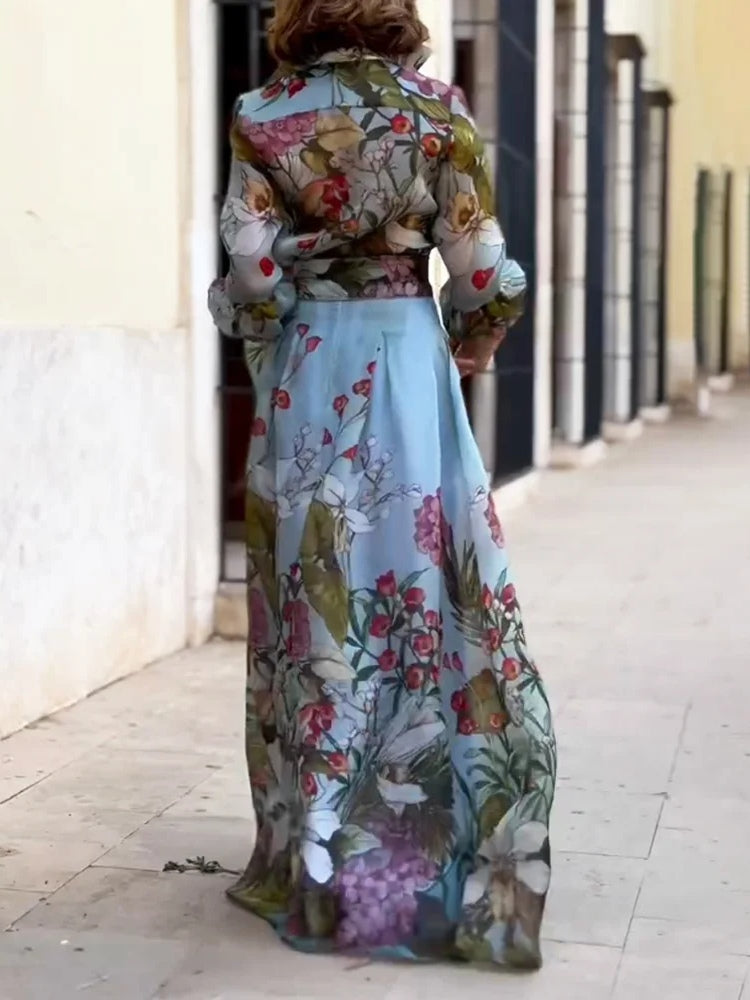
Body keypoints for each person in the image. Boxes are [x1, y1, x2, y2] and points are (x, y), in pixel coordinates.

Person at [208, 0, 556, 970]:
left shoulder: (263, 114)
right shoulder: (437, 112)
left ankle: (316, 846)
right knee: (420, 581)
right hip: (407, 363)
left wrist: (269, 311)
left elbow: (249, 270)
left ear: (299, 18)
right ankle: (423, 832)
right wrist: (473, 342)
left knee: (315, 598)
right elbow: (484, 272)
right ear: (396, 19)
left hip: (310, 371)